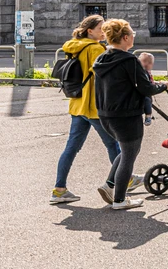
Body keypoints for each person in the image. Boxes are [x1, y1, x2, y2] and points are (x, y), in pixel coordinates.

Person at [93, 19, 168, 210]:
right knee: (129, 154)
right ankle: (119, 200)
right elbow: (146, 88)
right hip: (127, 115)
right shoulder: (129, 60)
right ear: (125, 38)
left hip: (106, 114)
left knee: (126, 151)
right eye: (132, 33)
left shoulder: (102, 59)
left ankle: (109, 185)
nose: (134, 36)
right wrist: (163, 86)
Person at [51, 15, 120, 205]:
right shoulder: (95, 49)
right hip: (93, 106)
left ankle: (59, 190)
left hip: (77, 104)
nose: (104, 32)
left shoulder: (74, 46)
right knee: (114, 145)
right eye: (100, 29)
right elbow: (104, 77)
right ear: (90, 31)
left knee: (71, 148)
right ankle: (126, 179)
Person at [138, 52, 156, 126]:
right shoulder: (142, 71)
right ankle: (148, 116)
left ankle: (148, 114)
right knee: (147, 100)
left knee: (148, 100)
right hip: (143, 93)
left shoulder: (146, 72)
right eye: (144, 61)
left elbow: (150, 81)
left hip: (146, 92)